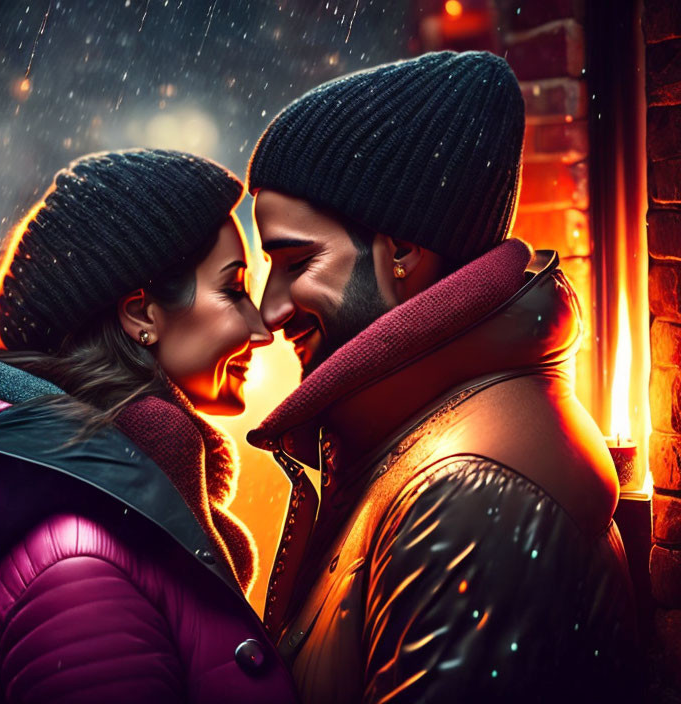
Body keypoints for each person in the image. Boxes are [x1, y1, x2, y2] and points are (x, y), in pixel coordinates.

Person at [244, 51, 639, 703]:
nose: (270, 308)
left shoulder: (470, 502)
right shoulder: (421, 445)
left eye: (296, 260)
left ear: (400, 250)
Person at [0, 149, 299, 703]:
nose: (261, 326)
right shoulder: (82, 569)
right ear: (142, 314)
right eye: (234, 288)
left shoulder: (118, 523)